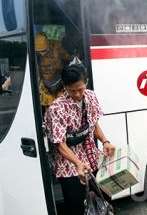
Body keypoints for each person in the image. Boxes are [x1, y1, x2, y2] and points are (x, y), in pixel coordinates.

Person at [45, 64, 116, 215]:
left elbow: (93, 124)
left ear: (86, 82)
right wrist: (77, 163)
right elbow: (60, 144)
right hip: (69, 165)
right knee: (76, 206)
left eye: (80, 89)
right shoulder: (56, 109)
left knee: (104, 199)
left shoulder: (90, 96)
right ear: (64, 86)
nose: (77, 94)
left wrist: (105, 141)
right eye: (72, 91)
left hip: (92, 157)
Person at [35, 31, 72, 108]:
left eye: (43, 50)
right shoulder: (34, 51)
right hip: (45, 83)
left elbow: (68, 58)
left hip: (59, 80)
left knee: (61, 102)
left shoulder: (56, 45)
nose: (41, 53)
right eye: (39, 51)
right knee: (47, 103)